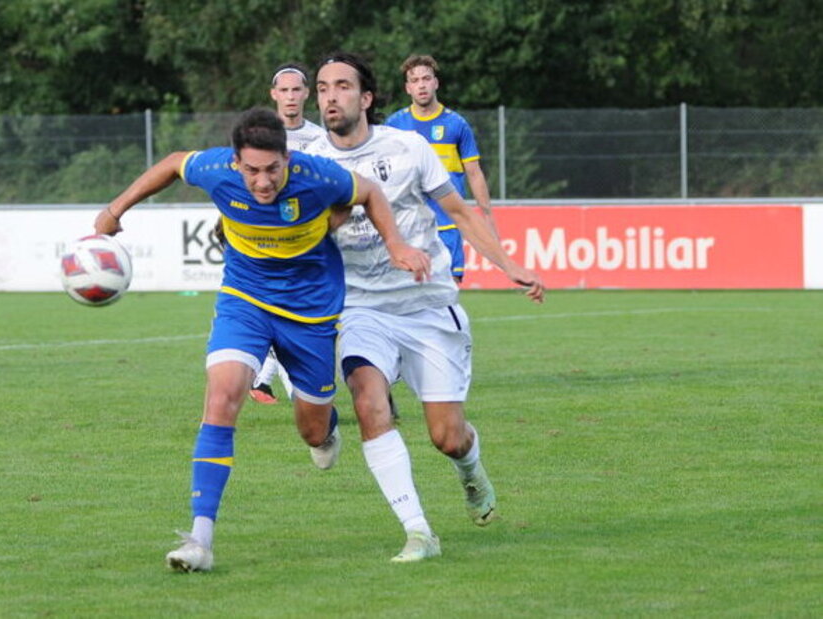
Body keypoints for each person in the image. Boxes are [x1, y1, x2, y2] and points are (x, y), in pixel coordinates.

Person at [93, 108, 429, 573]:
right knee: (222, 397)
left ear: (287, 159)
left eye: (273, 168)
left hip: (310, 313)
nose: (264, 181)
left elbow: (368, 192)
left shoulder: (316, 176)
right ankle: (200, 539)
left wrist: (395, 244)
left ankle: (324, 427)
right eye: (252, 170)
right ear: (235, 162)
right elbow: (172, 162)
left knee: (313, 430)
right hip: (245, 300)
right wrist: (115, 210)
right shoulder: (216, 170)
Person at [307, 52, 544, 563]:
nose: (330, 96)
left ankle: (471, 471)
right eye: (323, 87)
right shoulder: (307, 163)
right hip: (361, 308)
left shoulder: (409, 147)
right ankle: (418, 531)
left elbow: (457, 211)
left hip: (427, 304)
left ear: (366, 98)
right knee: (368, 402)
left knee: (448, 437)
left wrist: (508, 264)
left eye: (342, 86)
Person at [248, 62, 326, 405]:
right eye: (285, 90)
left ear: (307, 94)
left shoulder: (321, 138)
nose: (291, 96)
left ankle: (270, 379)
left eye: (297, 89)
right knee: (276, 312)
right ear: (274, 95)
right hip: (267, 237)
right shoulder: (259, 136)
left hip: (312, 239)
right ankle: (288, 385)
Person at [385, 54, 499, 283]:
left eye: (426, 78)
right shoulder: (394, 125)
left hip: (448, 224)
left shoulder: (456, 124)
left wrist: (486, 215)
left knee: (450, 291)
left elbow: (474, 173)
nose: (421, 85)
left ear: (436, 83)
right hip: (410, 226)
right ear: (408, 88)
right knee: (407, 295)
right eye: (415, 80)